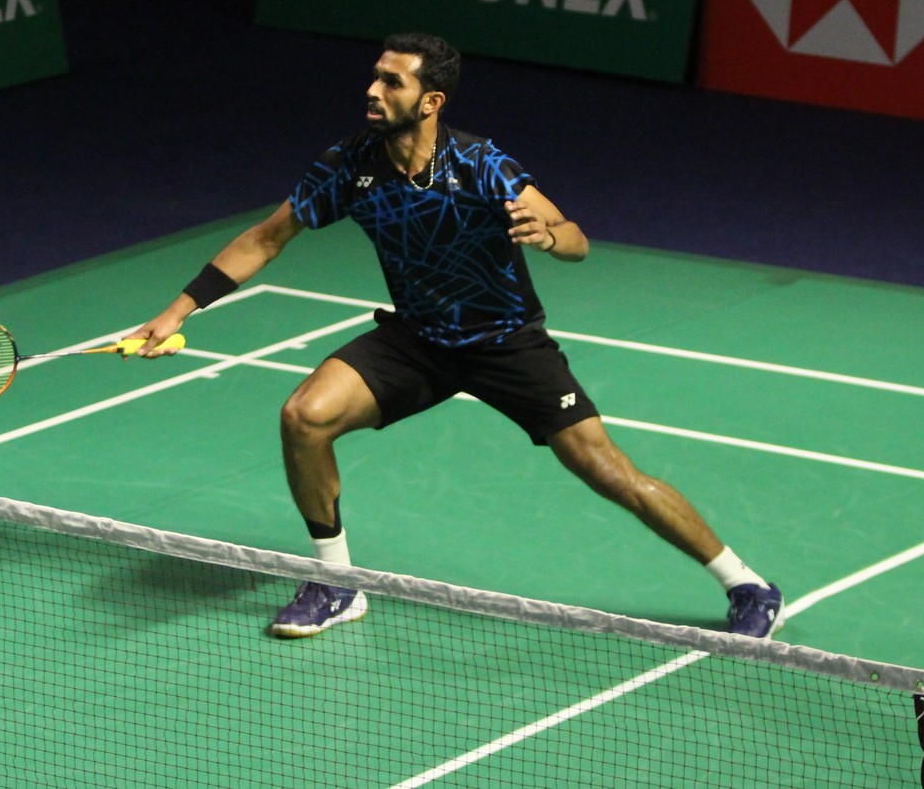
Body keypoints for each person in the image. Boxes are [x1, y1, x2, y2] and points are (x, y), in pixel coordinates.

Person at [131, 32, 784, 640]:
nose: (373, 91)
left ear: (431, 101)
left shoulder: (481, 164)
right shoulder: (348, 164)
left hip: (504, 342)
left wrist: (548, 236)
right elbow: (266, 239)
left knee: (607, 470)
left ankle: (748, 585)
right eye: (374, 78)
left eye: (392, 83)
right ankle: (336, 583)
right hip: (418, 340)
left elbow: (576, 239)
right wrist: (180, 310)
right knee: (304, 416)